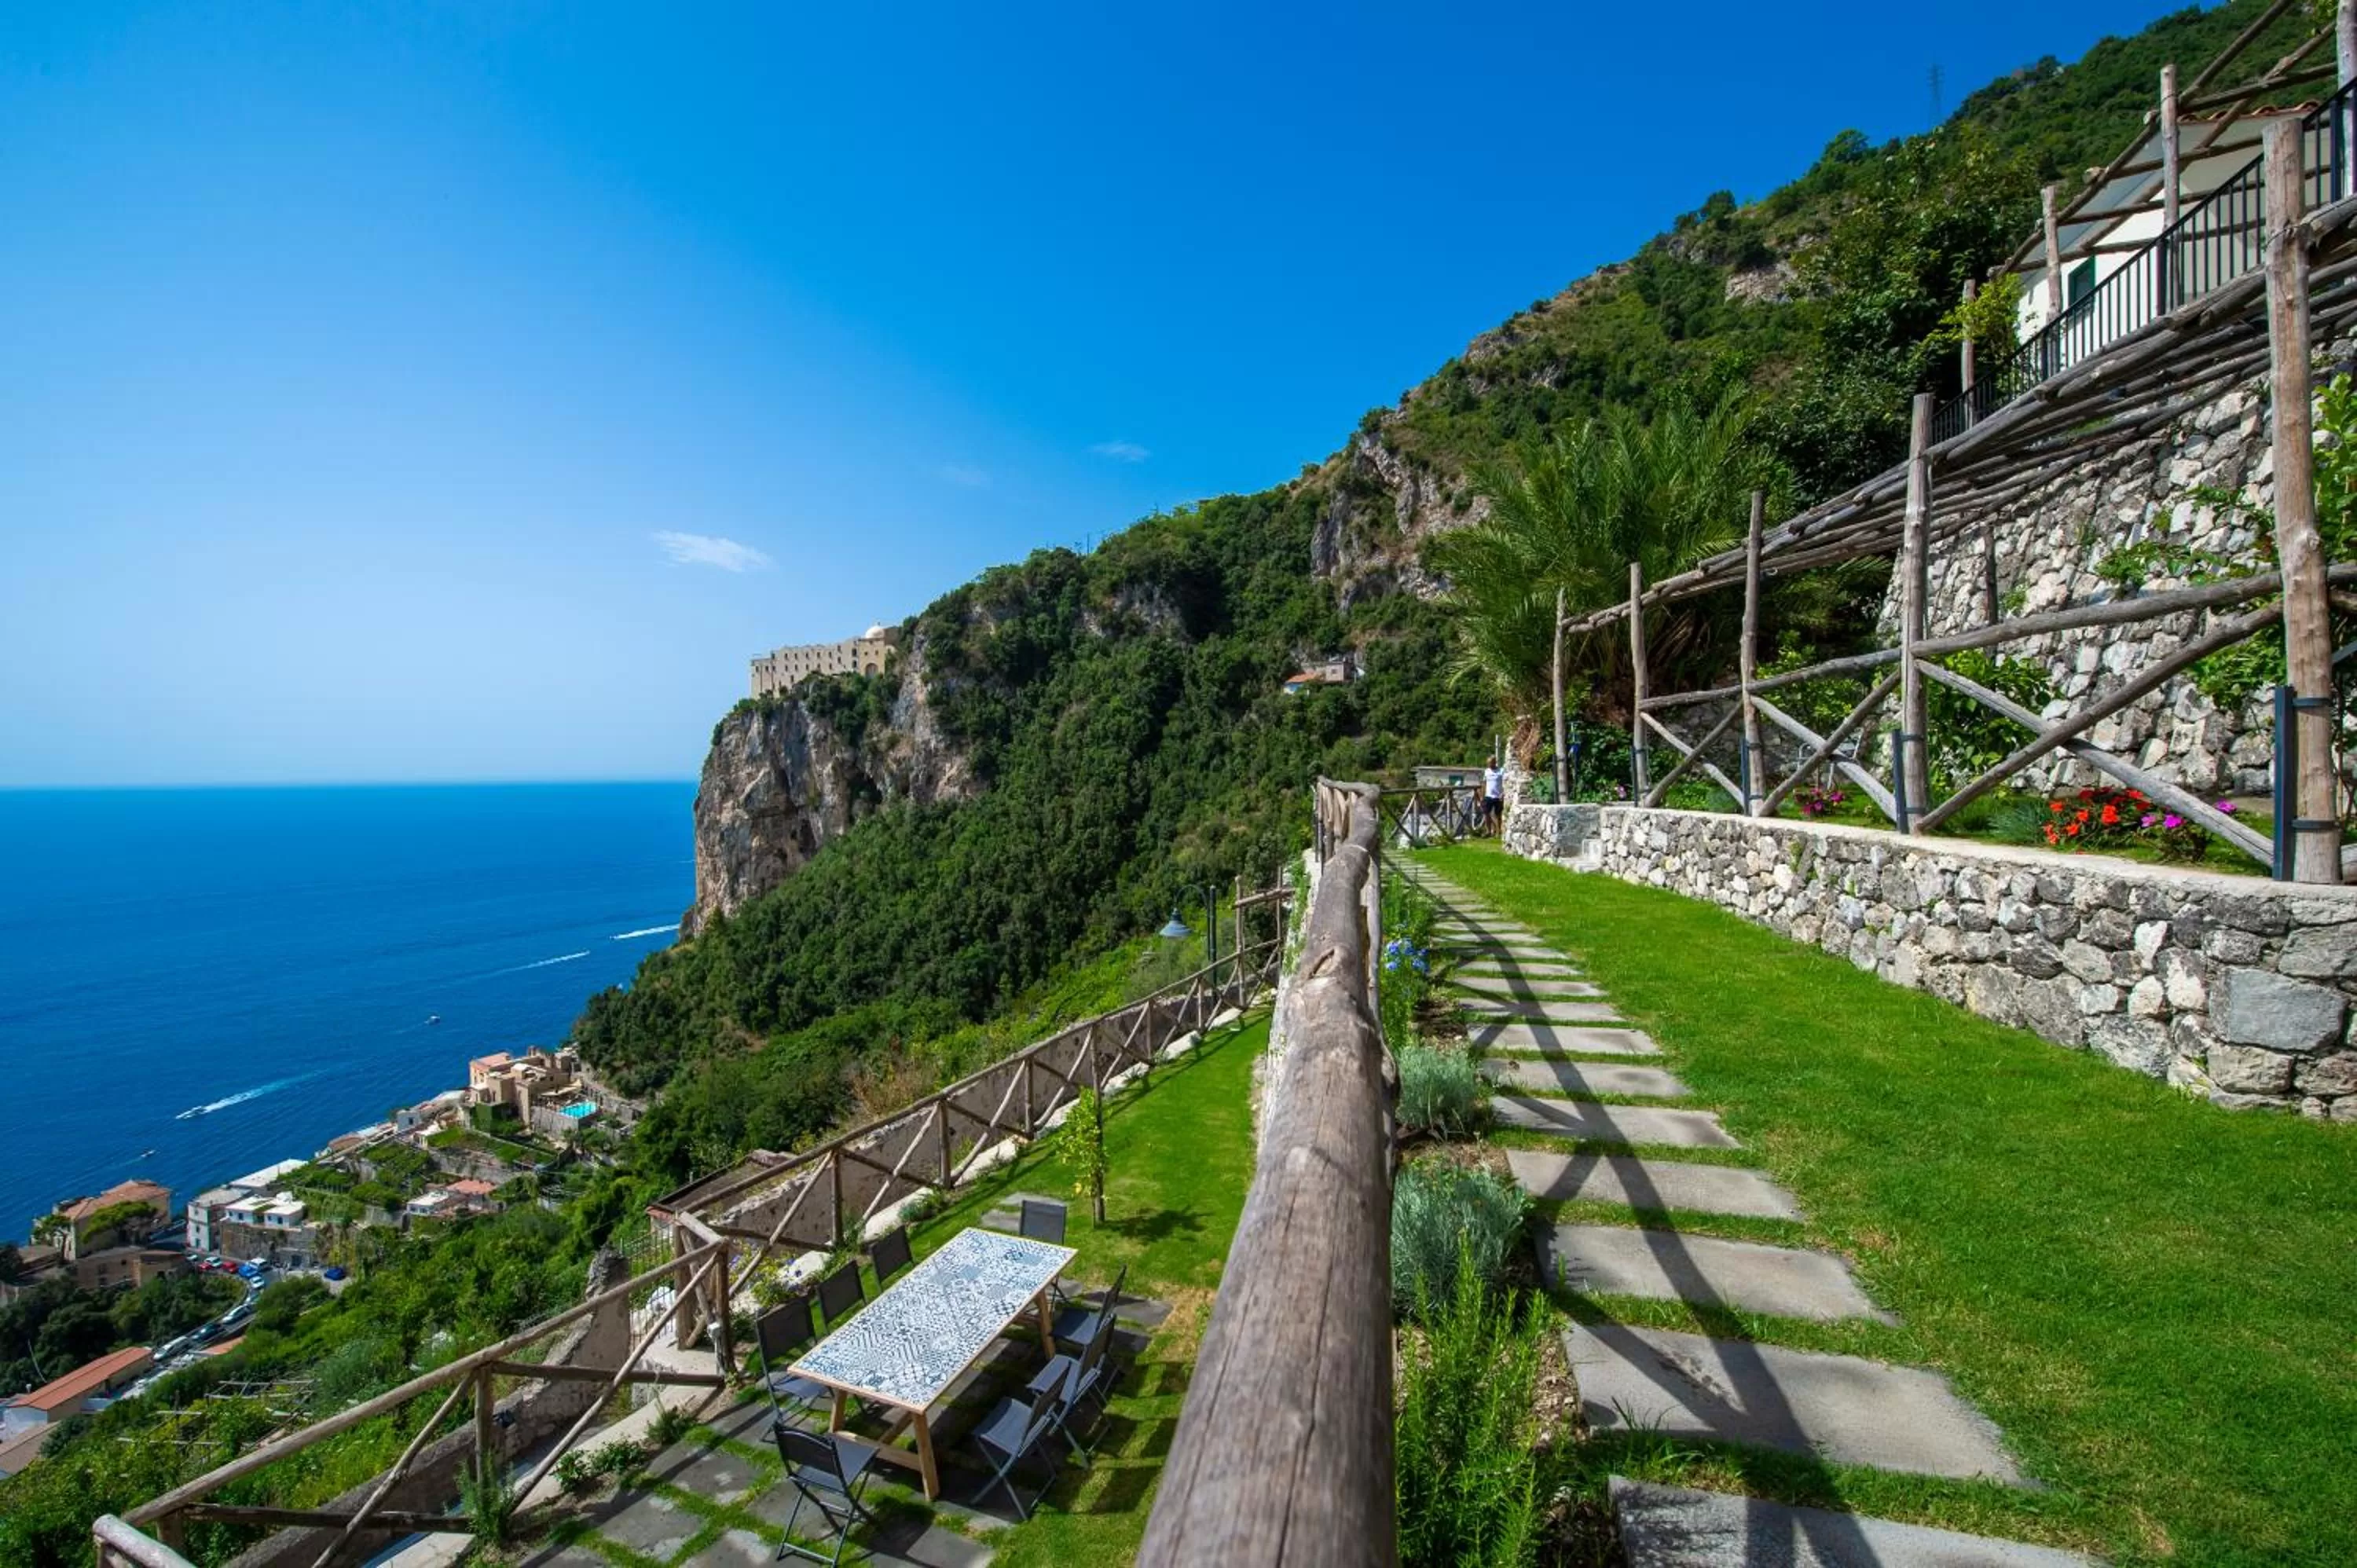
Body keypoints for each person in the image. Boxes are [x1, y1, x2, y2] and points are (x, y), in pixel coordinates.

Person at [1482, 758, 1504, 833]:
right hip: (1488, 796)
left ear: (1495, 763)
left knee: (1498, 815)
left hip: (1498, 796)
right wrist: (1482, 795)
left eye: (1490, 763)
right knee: (1486, 813)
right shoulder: (1487, 771)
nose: (1489, 765)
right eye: (1488, 763)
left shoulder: (1501, 771)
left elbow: (1505, 783)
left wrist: (1503, 793)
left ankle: (1498, 831)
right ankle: (1488, 831)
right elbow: (1484, 783)